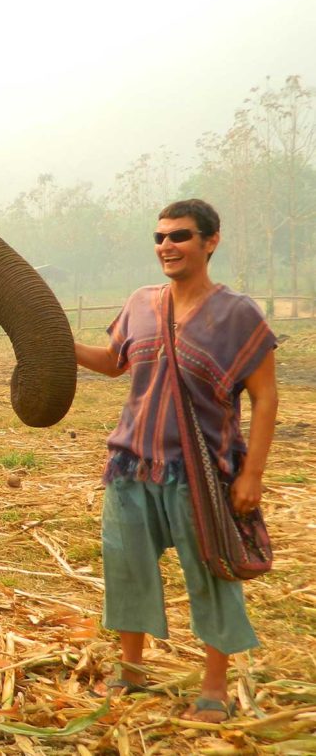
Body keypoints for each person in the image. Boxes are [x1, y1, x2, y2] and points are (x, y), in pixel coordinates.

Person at [74, 199, 278, 724]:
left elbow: (265, 397)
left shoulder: (239, 315)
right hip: (130, 464)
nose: (167, 246)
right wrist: (54, 341)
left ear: (211, 241)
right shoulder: (142, 303)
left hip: (200, 471)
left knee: (211, 575)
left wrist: (252, 473)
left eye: (180, 236)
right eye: (160, 237)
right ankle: (131, 671)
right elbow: (113, 364)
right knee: (128, 569)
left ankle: (214, 688)